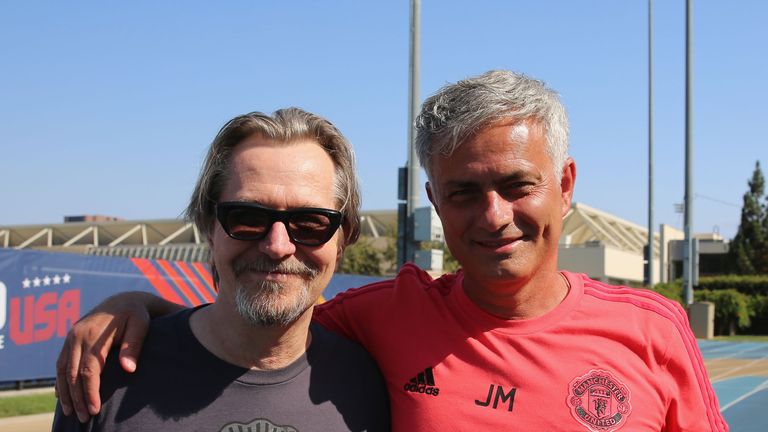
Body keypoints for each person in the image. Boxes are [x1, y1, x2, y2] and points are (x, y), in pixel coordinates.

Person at [56, 71, 728, 431]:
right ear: (436, 204)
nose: (494, 216)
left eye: (517, 185)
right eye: (465, 192)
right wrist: (139, 306)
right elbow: (266, 306)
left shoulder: (652, 330)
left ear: (565, 185)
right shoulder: (382, 317)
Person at [52, 108, 390, 431]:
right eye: (247, 218)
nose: (277, 245)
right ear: (208, 227)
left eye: (310, 222)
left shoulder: (373, 383)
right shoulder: (105, 379)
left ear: (343, 239)